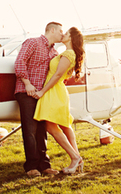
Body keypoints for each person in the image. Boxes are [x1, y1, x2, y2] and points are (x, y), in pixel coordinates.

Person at [33, 26, 86, 174]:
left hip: (53, 91)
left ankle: (75, 157)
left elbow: (56, 75)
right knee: (65, 126)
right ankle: (78, 159)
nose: (63, 34)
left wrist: (42, 91)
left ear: (71, 38)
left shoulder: (68, 54)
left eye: (66, 33)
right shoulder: (68, 53)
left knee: (50, 127)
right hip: (56, 91)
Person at [14, 22, 64, 178]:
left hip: (42, 94)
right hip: (26, 91)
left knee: (42, 130)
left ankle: (44, 165)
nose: (62, 34)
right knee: (30, 130)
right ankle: (31, 166)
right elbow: (20, 62)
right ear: (52, 30)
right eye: (61, 31)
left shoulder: (54, 52)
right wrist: (27, 84)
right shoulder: (32, 42)